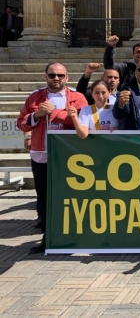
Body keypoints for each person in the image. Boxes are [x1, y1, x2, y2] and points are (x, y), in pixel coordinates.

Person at [17, 63, 88, 252]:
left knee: (71, 197)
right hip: (42, 154)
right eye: (52, 75)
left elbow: (81, 121)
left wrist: (53, 113)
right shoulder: (35, 96)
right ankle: (48, 237)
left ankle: (74, 236)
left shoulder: (78, 97)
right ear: (45, 77)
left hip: (69, 157)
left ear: (67, 78)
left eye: (60, 75)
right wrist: (37, 115)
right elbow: (22, 123)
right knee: (44, 197)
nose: (56, 78)